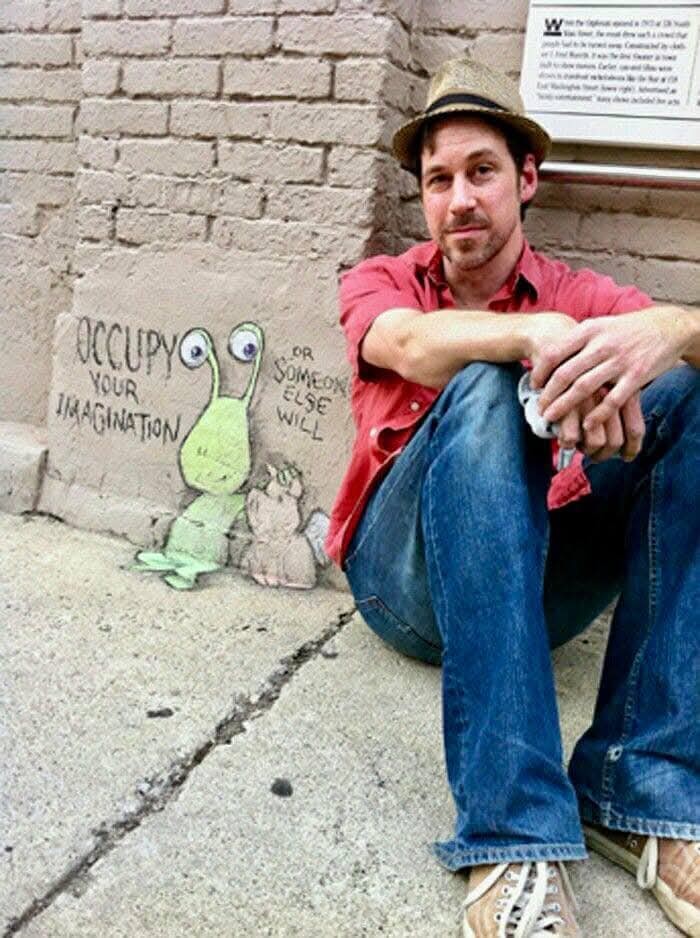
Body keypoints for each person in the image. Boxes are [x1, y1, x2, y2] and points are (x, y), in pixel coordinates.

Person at [324, 57, 700, 938]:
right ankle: (516, 832)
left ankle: (638, 787)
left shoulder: (583, 295)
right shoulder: (381, 280)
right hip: (402, 583)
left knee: (690, 400)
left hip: (540, 588)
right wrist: (530, 336)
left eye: (482, 172)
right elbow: (408, 345)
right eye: (438, 180)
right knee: (486, 378)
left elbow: (671, 354)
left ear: (526, 179)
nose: (459, 199)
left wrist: (671, 329)